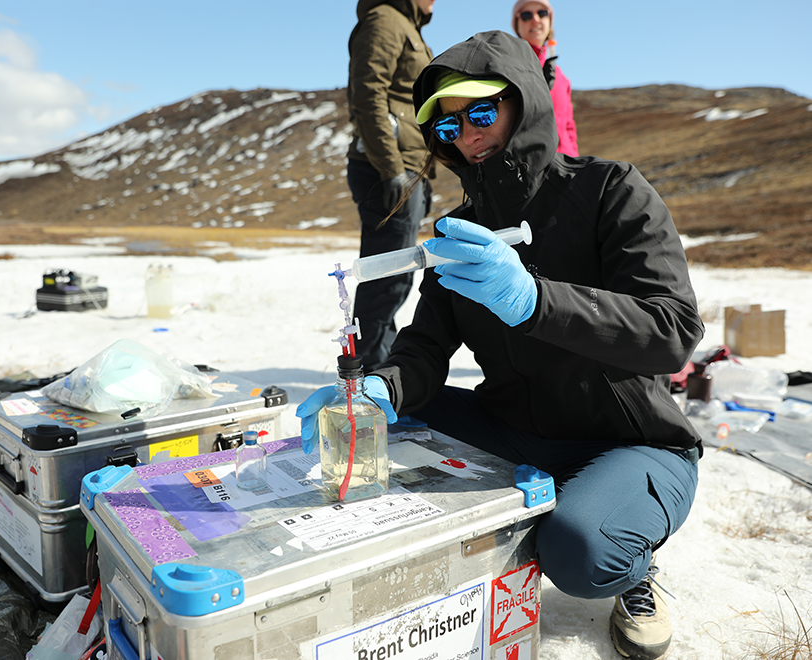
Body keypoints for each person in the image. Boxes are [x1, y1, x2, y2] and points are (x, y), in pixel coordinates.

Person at [298, 30, 704, 660]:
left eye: (481, 112)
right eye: (447, 125)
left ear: (525, 104)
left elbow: (672, 332)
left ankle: (634, 565)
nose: (467, 134)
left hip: (628, 441)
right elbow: (426, 350)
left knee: (579, 549)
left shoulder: (610, 192)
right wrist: (380, 389)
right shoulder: (461, 232)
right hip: (514, 430)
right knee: (384, 420)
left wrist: (536, 301)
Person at [346, 0, 436, 369]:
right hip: (388, 170)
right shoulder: (386, 18)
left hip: (408, 168)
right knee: (385, 281)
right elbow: (368, 94)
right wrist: (391, 169)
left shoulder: (407, 26)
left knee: (393, 279)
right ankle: (368, 377)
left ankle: (375, 369)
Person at [511, 0, 579, 156]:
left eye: (542, 13)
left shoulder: (561, 77)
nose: (535, 19)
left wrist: (574, 161)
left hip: (565, 167)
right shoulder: (509, 69)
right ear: (517, 25)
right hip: (530, 167)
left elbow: (569, 127)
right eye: (526, 15)